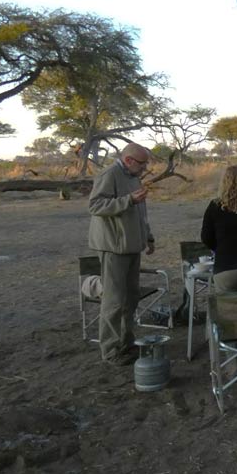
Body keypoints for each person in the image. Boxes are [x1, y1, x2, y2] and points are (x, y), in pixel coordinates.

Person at [87, 143, 155, 365]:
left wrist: (148, 236)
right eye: (142, 163)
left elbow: (140, 211)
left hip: (132, 245)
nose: (145, 168)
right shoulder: (109, 174)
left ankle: (126, 343)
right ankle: (111, 350)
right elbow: (95, 205)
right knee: (114, 301)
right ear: (128, 160)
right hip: (114, 247)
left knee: (130, 299)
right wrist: (128, 201)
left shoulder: (133, 176)